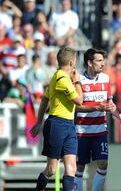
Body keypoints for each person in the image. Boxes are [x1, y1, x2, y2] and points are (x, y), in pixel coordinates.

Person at [74, 48, 121, 191]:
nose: (102, 64)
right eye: (99, 61)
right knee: (80, 166)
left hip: (100, 131)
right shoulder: (78, 80)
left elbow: (109, 105)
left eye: (103, 60)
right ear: (89, 63)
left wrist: (119, 118)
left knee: (103, 164)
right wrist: (95, 108)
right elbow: (75, 107)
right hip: (82, 131)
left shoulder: (105, 79)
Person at [30, 46, 83, 191]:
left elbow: (44, 100)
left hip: (69, 125)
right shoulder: (61, 79)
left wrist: (38, 122)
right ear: (72, 62)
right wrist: (77, 82)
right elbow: (79, 101)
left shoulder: (60, 77)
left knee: (71, 168)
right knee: (51, 169)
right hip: (57, 124)